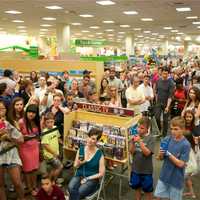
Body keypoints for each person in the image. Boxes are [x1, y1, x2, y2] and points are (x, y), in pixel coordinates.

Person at [154, 117, 191, 200]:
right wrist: (160, 154)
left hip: (176, 179)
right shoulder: (167, 139)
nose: (173, 131)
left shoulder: (186, 145)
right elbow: (159, 158)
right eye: (171, 129)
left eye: (176, 129)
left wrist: (168, 154)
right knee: (158, 196)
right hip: (164, 176)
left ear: (183, 129)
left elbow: (181, 164)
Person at [68, 128, 105, 200]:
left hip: (92, 179)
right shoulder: (81, 149)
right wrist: (79, 163)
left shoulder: (100, 154)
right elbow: (75, 166)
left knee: (79, 192)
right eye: (89, 137)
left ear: (97, 141)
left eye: (93, 139)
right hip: (79, 175)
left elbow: (101, 173)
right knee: (70, 187)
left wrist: (87, 178)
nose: (89, 140)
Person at [0, 100, 25, 200]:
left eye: (2, 108)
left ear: (6, 109)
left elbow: (21, 139)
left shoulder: (11, 122)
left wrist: (8, 136)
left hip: (11, 153)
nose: (0, 111)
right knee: (0, 184)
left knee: (17, 183)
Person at [129, 117, 155, 200]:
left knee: (148, 190)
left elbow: (147, 153)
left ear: (148, 129)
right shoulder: (135, 136)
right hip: (135, 169)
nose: (139, 129)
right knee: (137, 188)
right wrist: (133, 142)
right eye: (138, 127)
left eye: (142, 128)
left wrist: (140, 142)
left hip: (146, 171)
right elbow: (131, 151)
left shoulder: (151, 138)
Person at [18, 104, 41, 196]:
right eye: (30, 112)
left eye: (34, 112)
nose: (31, 114)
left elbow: (39, 135)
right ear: (26, 112)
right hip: (24, 149)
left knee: (35, 169)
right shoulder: (21, 122)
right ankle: (30, 188)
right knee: (27, 170)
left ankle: (34, 186)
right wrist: (24, 137)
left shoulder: (36, 122)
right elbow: (16, 136)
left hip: (35, 147)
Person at [41, 112, 63, 180]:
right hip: (49, 155)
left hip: (55, 153)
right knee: (60, 167)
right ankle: (52, 180)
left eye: (52, 122)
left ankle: (51, 180)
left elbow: (58, 138)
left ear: (54, 121)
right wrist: (54, 153)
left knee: (53, 169)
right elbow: (45, 145)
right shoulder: (45, 132)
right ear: (45, 122)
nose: (50, 124)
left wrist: (62, 143)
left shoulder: (55, 128)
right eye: (48, 122)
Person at [154, 66, 175, 136]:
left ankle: (164, 134)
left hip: (167, 103)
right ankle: (159, 131)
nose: (165, 75)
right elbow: (156, 92)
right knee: (157, 117)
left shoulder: (171, 83)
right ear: (161, 73)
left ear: (168, 74)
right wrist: (156, 101)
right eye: (163, 73)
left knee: (165, 120)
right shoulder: (158, 80)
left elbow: (170, 96)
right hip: (159, 102)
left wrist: (167, 106)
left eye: (166, 74)